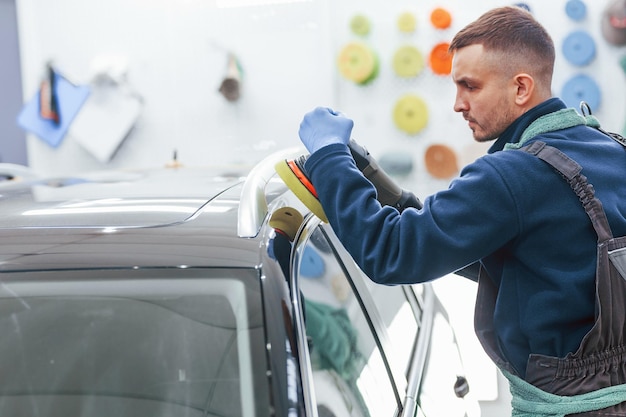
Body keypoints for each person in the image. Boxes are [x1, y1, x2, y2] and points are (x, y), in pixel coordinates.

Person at [296, 6, 626, 416]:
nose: (457, 104)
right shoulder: (614, 150)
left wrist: (329, 157)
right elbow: (535, 260)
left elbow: (392, 253)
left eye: (469, 86)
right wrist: (394, 198)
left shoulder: (511, 175)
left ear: (521, 88)